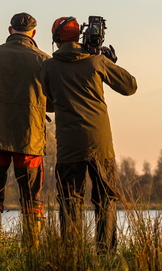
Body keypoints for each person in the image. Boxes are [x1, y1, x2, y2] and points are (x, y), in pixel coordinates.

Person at [40, 17, 137, 252]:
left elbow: (48, 104)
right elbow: (130, 87)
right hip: (99, 142)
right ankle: (106, 252)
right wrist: (110, 63)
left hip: (69, 145)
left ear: (56, 40)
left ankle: (71, 252)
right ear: (80, 36)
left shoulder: (49, 67)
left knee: (69, 200)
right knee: (105, 199)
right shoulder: (97, 62)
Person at [0, 12, 52, 246]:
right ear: (34, 33)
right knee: (31, 196)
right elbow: (53, 103)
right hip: (31, 140)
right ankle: (32, 246)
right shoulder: (44, 60)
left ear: (10, 30)